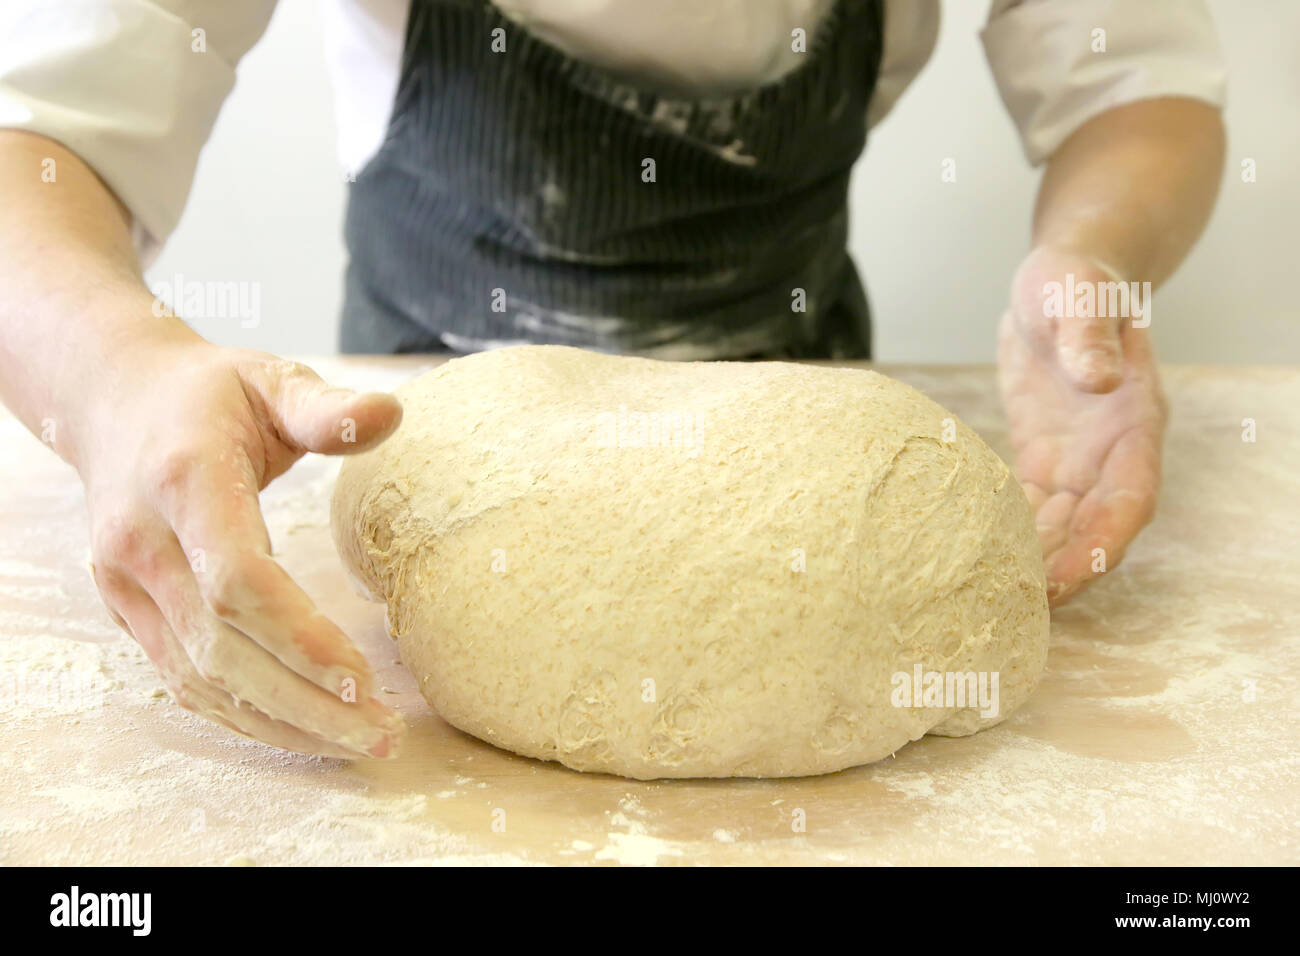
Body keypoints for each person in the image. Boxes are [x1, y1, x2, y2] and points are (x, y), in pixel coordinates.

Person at [0, 0, 1227, 757]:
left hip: (814, 427)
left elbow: (1136, 74)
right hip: (418, 416)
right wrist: (114, 376)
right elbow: (40, 134)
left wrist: (1093, 260)